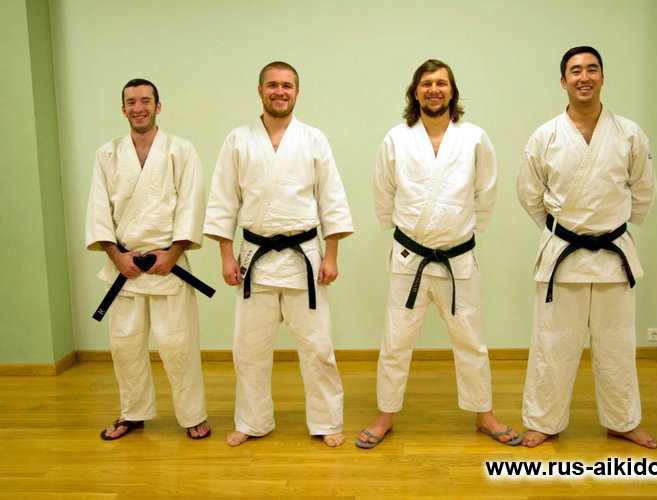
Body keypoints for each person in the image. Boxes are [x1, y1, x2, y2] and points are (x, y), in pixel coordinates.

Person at [357, 59, 521, 449]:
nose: (434, 90)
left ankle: (483, 413)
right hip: (408, 257)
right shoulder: (396, 138)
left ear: (452, 91)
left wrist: (463, 228)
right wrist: (404, 230)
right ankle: (385, 415)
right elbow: (383, 191)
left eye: (441, 83)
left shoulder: (474, 138)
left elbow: (487, 190)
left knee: (471, 341)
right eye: (427, 83)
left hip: (457, 257)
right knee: (396, 341)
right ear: (415, 92)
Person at [204, 61, 354, 448]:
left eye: (287, 86)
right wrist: (226, 256)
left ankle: (326, 420)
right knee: (248, 350)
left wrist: (331, 255)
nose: (279, 91)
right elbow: (223, 200)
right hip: (254, 258)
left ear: (297, 92)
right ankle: (252, 420)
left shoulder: (314, 139)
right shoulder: (238, 140)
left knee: (318, 348)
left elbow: (331, 199)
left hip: (305, 258)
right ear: (260, 91)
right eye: (272, 85)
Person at [516, 46, 657, 449]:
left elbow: (644, 189)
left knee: (618, 345)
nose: (584, 77)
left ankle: (623, 421)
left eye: (592, 69)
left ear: (602, 77)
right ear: (563, 81)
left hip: (613, 257)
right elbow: (529, 193)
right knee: (552, 343)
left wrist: (612, 226)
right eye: (576, 71)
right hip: (563, 256)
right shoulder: (545, 136)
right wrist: (563, 230)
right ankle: (544, 421)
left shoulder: (629, 133)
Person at [86, 78, 211, 440]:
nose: (138, 108)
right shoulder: (107, 154)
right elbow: (98, 210)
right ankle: (133, 413)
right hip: (124, 267)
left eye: (145, 101)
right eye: (131, 102)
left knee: (179, 345)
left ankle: (193, 414)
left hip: (167, 266)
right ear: (123, 109)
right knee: (125, 345)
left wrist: (173, 254)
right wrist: (116, 256)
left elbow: (191, 205)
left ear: (158, 106)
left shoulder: (181, 150)